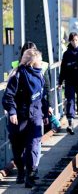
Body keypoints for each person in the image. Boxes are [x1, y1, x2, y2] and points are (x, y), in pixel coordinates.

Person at [2, 48, 48, 188]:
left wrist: (45, 113)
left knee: (33, 145)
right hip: (19, 118)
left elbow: (42, 96)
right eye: (39, 60)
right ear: (31, 62)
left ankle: (30, 175)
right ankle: (21, 171)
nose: (41, 63)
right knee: (17, 149)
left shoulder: (40, 75)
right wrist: (12, 112)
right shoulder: (17, 75)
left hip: (35, 115)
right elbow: (8, 96)